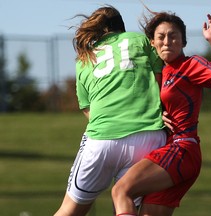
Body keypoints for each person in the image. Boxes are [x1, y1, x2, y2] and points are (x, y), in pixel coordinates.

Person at [112, 10, 211, 216]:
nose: (167, 41)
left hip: (182, 149)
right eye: (161, 37)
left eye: (173, 36)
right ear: (152, 43)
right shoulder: (158, 71)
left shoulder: (190, 65)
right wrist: (157, 114)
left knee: (121, 190)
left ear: (183, 42)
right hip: (170, 151)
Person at [54, 5, 167, 216]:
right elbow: (161, 82)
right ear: (122, 28)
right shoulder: (140, 40)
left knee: (69, 210)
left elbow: (88, 109)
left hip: (102, 140)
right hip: (147, 136)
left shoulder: (84, 59)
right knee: (126, 203)